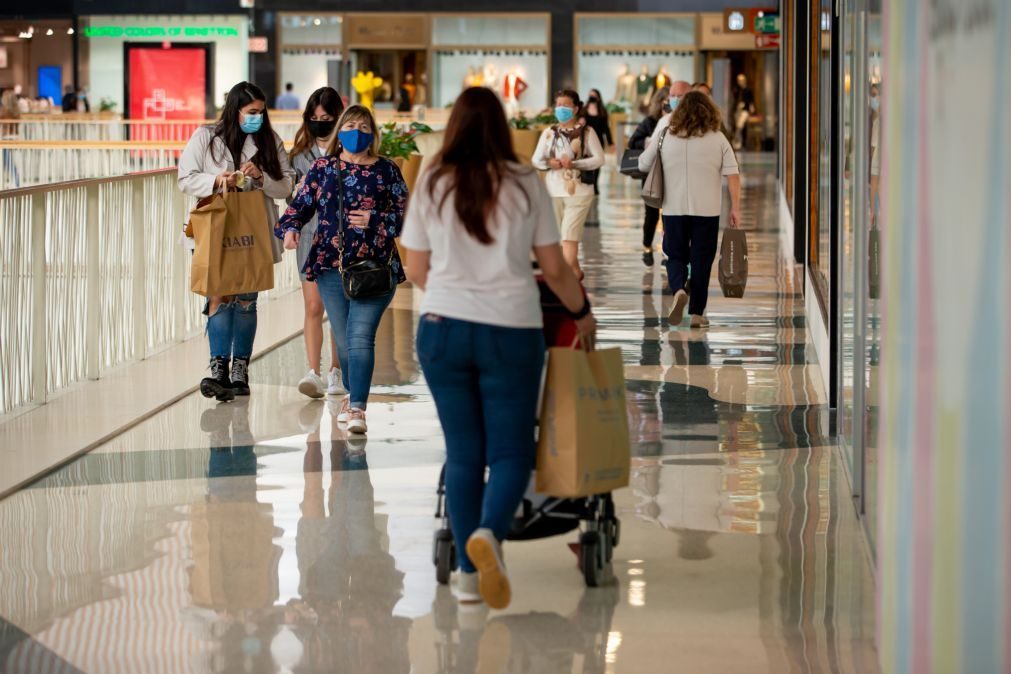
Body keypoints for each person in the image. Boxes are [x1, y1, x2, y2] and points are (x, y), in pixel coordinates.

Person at [401, 86, 596, 610]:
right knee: (511, 451)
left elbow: (415, 268)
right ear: (503, 128)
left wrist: (453, 287)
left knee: (464, 453)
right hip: (511, 329)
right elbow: (554, 268)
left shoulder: (433, 181)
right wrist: (582, 313)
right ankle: (489, 532)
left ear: (455, 126)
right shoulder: (524, 181)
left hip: (443, 329)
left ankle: (468, 577)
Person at [277, 105, 408, 435]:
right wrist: (290, 230)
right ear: (340, 132)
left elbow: (409, 217)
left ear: (372, 133)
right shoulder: (323, 168)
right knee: (347, 342)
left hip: (375, 267)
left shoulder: (387, 171)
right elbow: (299, 207)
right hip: (330, 267)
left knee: (360, 337)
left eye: (363, 125)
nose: (356, 130)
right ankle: (353, 389)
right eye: (350, 124)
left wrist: (376, 220)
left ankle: (358, 407)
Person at [179, 82, 295, 401]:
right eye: (251, 112)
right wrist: (219, 179)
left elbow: (286, 187)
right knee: (218, 295)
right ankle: (219, 369)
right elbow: (185, 178)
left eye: (261, 111)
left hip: (252, 227)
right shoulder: (206, 137)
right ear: (235, 110)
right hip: (216, 225)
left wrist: (261, 178)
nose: (257, 117)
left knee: (246, 297)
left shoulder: (269, 141)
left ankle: (240, 370)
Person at [637, 91, 742, 330]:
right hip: (707, 210)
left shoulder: (665, 135)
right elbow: (733, 175)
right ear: (710, 112)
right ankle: (696, 313)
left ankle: (678, 290)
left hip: (673, 208)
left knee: (675, 255)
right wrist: (735, 207)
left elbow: (643, 163)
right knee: (701, 260)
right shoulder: (718, 139)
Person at [289, 87, 346, 399]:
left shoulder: (348, 151)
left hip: (341, 238)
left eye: (326, 118)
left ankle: (336, 371)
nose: (320, 122)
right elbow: (290, 198)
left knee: (337, 307)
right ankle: (313, 371)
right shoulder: (299, 156)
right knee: (313, 305)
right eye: (314, 118)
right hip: (309, 237)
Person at [531, 89, 605, 279]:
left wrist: (575, 164)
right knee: (560, 241)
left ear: (576, 108)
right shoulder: (548, 133)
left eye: (566, 105)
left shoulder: (587, 132)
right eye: (559, 105)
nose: (561, 109)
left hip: (579, 192)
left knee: (568, 238)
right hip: (552, 192)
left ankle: (567, 285)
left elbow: (599, 159)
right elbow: (536, 160)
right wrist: (550, 163)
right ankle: (576, 273)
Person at [628, 86, 670, 267]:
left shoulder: (681, 121)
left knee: (669, 215)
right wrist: (649, 142)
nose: (670, 104)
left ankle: (668, 252)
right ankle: (647, 247)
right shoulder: (650, 122)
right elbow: (633, 141)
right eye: (667, 100)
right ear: (660, 101)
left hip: (671, 173)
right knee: (651, 214)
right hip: (652, 173)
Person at [583, 88, 612, 195]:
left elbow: (606, 129)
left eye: (594, 96)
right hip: (586, 141)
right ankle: (588, 184)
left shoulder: (602, 111)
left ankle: (595, 184)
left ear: (598, 98)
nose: (591, 98)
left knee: (597, 163)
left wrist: (610, 142)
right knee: (586, 162)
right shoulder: (584, 110)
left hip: (598, 141)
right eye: (590, 95)